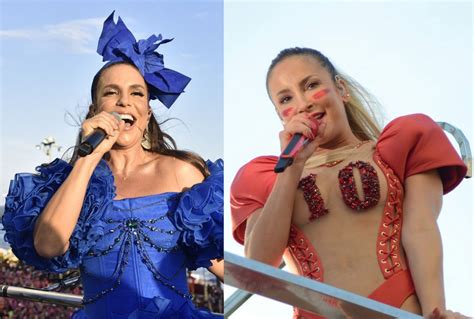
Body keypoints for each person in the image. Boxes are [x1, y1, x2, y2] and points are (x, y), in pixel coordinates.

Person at [3, 12, 223, 319]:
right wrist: (87, 159)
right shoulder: (73, 183)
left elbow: (225, 263)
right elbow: (48, 245)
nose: (124, 102)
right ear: (95, 109)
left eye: (136, 93)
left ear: (146, 113)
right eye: (111, 93)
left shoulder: (182, 173)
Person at [230, 47, 469, 319]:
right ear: (281, 116)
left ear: (341, 89)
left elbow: (421, 230)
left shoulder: (403, 143)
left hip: (398, 310)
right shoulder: (263, 177)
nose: (303, 103)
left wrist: (435, 312)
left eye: (311, 85)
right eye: (286, 98)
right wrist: (291, 169)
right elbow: (258, 268)